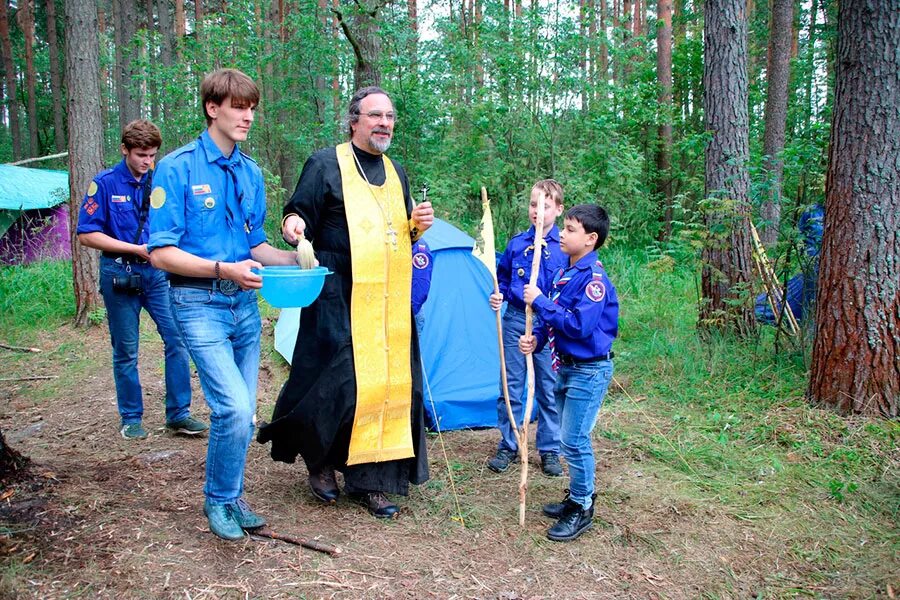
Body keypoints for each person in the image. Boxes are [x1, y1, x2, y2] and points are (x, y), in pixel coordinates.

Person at [257, 86, 435, 519]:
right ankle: (321, 465)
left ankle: (372, 479)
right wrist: (294, 226)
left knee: (390, 384)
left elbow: (397, 233)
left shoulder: (396, 171)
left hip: (388, 297)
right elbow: (295, 215)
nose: (385, 124)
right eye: (376, 115)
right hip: (338, 291)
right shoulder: (325, 163)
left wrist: (416, 226)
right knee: (335, 382)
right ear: (354, 120)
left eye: (390, 116)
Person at [147, 69, 300, 541]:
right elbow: (160, 252)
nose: (247, 116)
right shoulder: (177, 167)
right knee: (232, 406)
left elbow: (255, 247)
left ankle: (232, 497)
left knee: (244, 410)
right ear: (213, 108)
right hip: (197, 303)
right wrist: (221, 269)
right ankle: (218, 500)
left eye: (252, 107)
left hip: (245, 307)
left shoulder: (250, 171)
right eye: (238, 106)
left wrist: (299, 258)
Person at [76, 120, 206, 441]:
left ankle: (178, 413)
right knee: (127, 350)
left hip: (158, 274)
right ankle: (131, 417)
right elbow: (87, 234)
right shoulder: (104, 184)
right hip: (120, 273)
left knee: (177, 340)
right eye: (141, 155)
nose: (148, 161)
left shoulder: (161, 181)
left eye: (152, 155)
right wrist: (134, 248)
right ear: (125, 150)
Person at [519, 204, 618, 542]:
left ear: (591, 239)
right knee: (567, 439)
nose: (562, 233)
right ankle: (577, 495)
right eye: (564, 227)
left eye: (571, 229)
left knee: (574, 441)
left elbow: (578, 326)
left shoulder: (594, 280)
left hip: (588, 371)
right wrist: (538, 340)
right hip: (568, 367)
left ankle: (582, 507)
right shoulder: (567, 273)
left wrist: (541, 301)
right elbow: (558, 321)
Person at [487, 180, 567, 476]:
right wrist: (499, 294)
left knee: (549, 387)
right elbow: (504, 279)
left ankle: (549, 449)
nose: (538, 211)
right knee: (510, 385)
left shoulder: (564, 248)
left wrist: (548, 321)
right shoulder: (517, 244)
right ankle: (510, 444)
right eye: (534, 205)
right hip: (516, 321)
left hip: (549, 325)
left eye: (546, 206)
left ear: (558, 210)